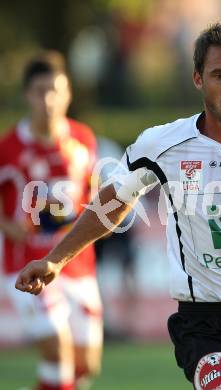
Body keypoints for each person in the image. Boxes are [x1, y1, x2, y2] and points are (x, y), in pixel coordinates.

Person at [15, 20, 221, 390]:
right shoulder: (163, 145)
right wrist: (56, 259)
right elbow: (113, 203)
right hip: (205, 324)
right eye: (219, 75)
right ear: (198, 79)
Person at [0, 51, 102, 390]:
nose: (48, 99)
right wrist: (7, 224)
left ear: (68, 93)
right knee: (57, 355)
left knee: (85, 366)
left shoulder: (83, 140)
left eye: (55, 90)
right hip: (28, 265)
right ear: (28, 95)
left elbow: (95, 193)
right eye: (40, 90)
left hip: (77, 264)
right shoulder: (10, 147)